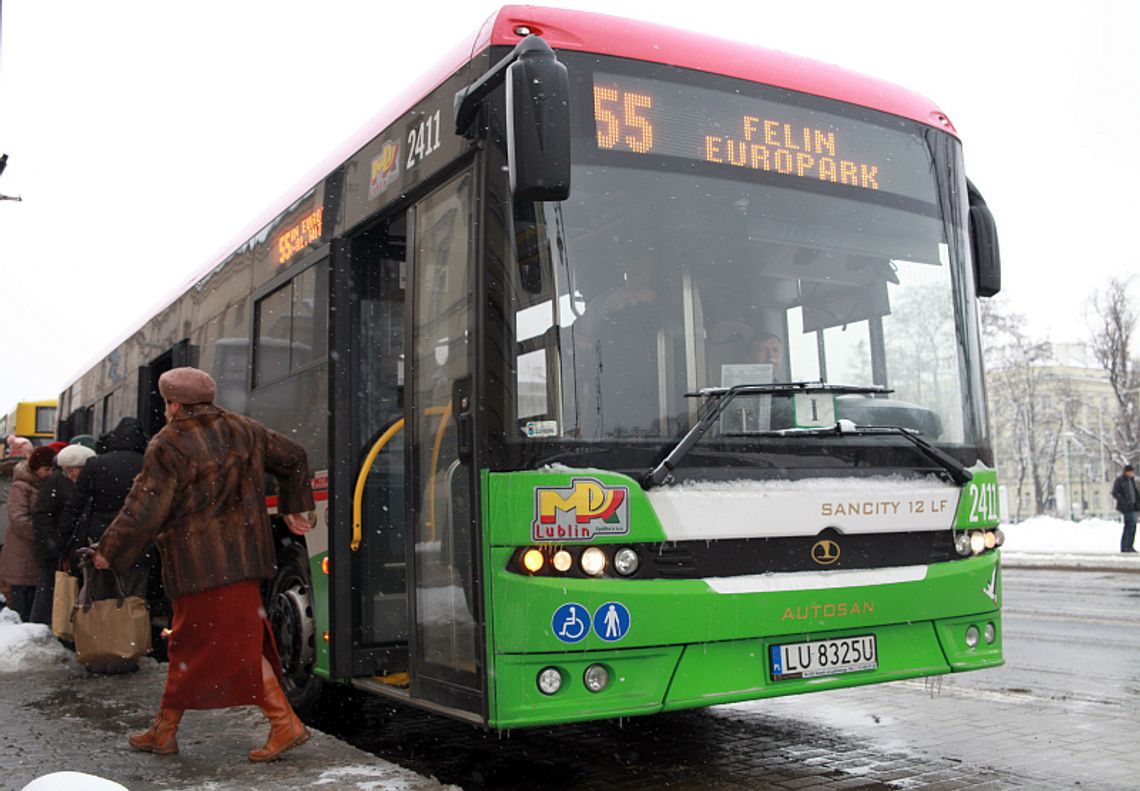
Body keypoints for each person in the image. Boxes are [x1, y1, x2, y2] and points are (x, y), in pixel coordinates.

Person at [90, 367, 315, 760]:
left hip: (199, 564)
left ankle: (285, 723)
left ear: (174, 404)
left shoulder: (169, 443)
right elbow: (294, 457)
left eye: (165, 403)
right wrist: (295, 506)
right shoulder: (244, 429)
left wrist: (110, 549)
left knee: (224, 647)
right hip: (243, 560)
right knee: (191, 644)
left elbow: (144, 506)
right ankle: (164, 729)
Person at [64, 417, 154, 673]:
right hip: (137, 541)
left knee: (100, 596)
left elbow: (76, 505)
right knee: (132, 596)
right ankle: (127, 652)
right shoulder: (147, 464)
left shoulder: (95, 464)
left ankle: (99, 652)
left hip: (99, 542)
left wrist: (66, 542)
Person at [29, 444, 96, 625]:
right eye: (66, 470)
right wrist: (54, 543)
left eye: (72, 470)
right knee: (54, 598)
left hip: (72, 550)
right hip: (59, 552)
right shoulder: (58, 481)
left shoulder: (79, 482)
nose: (69, 475)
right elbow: (43, 514)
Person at [0, 446, 57, 620]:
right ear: (36, 467)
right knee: (20, 598)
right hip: (22, 550)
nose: (49, 473)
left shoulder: (42, 485)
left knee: (31, 596)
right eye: (46, 469)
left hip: (32, 550)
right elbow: (18, 519)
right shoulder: (21, 486)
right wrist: (42, 534)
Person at [1, 436, 35, 608]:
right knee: (18, 579)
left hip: (6, 535)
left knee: (8, 579)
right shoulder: (32, 476)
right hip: (20, 538)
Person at [1111, 464, 1139, 553]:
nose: (1132, 473)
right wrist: (1124, 501)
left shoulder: (1131, 481)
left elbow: (1134, 493)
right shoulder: (1120, 480)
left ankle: (1129, 545)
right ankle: (1126, 546)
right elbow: (1115, 493)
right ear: (1127, 472)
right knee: (1129, 526)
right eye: (1131, 472)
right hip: (1126, 507)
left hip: (1132, 507)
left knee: (1132, 526)